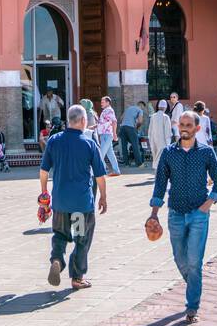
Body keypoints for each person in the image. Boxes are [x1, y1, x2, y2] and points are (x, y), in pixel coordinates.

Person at [148, 110, 217, 324]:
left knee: (194, 262)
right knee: (180, 259)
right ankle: (193, 284)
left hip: (199, 214)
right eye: (181, 124)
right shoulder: (168, 153)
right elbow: (160, 184)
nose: (184, 128)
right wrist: (154, 212)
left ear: (197, 129)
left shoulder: (206, 153)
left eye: (188, 125)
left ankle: (192, 306)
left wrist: (208, 204)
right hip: (175, 214)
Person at [40, 104, 109, 290]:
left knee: (60, 234)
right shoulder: (89, 144)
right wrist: (103, 196)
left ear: (68, 121)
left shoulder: (54, 141)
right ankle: (77, 278)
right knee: (81, 238)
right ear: (84, 121)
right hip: (81, 204)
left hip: (60, 202)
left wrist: (44, 193)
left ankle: (57, 259)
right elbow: (100, 176)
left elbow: (44, 172)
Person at [94, 95, 121, 177]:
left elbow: (114, 122)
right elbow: (102, 123)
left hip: (107, 135)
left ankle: (102, 171)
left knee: (101, 153)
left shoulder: (109, 110)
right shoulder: (105, 111)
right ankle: (116, 171)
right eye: (101, 102)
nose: (101, 103)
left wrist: (115, 134)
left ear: (108, 102)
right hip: (104, 135)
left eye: (103, 102)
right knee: (110, 154)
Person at [118, 99, 146, 167]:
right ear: (141, 105)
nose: (143, 109)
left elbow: (121, 118)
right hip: (130, 128)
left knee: (124, 146)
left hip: (122, 128)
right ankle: (139, 164)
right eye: (143, 108)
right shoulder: (140, 110)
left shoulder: (128, 108)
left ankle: (126, 163)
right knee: (135, 145)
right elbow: (140, 121)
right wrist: (136, 127)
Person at [148, 99, 174, 171]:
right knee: (162, 156)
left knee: (155, 155)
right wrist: (168, 142)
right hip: (163, 141)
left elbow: (150, 130)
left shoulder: (153, 116)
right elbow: (168, 131)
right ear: (165, 107)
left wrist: (150, 139)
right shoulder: (165, 117)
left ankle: (156, 170)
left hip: (153, 140)